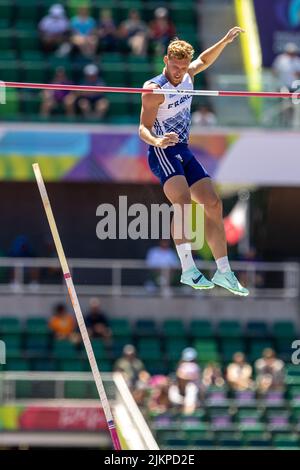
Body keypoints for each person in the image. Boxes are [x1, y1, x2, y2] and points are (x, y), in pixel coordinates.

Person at [139, 29, 249, 296]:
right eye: (175, 66)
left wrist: (223, 41)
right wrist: (157, 141)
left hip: (184, 150)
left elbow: (204, 61)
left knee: (213, 202)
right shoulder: (154, 91)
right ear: (165, 60)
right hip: (163, 151)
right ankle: (188, 269)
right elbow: (142, 128)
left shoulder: (188, 75)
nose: (179, 72)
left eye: (183, 67)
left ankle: (224, 272)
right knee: (183, 200)